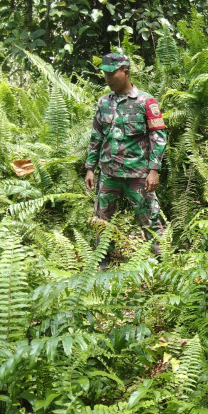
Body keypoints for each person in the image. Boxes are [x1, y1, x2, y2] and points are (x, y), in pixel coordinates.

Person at [84, 52, 167, 260]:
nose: (108, 78)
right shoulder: (103, 103)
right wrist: (90, 168)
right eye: (105, 74)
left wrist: (154, 170)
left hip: (138, 175)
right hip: (109, 174)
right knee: (102, 220)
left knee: (152, 220)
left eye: (112, 74)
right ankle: (104, 262)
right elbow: (97, 136)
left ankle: (163, 264)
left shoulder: (146, 102)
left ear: (126, 71)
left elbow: (158, 137)